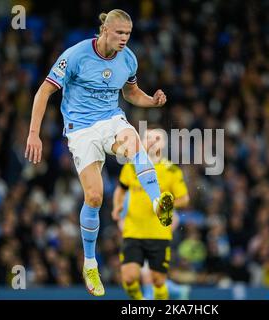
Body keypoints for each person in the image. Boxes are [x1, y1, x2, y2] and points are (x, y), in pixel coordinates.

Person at [25, 9, 175, 297]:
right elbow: (43, 92)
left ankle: (159, 202)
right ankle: (90, 262)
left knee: (133, 143)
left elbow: (130, 93)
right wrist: (34, 133)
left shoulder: (128, 59)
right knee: (94, 196)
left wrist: (153, 102)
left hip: (110, 120)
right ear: (105, 30)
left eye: (128, 34)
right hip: (80, 128)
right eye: (119, 33)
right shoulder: (77, 55)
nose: (124, 39)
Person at [112, 127, 190, 300]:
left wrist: (166, 207)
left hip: (159, 234)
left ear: (164, 144)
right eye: (147, 138)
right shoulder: (132, 167)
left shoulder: (171, 171)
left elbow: (184, 199)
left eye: (157, 138)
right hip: (133, 230)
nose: (152, 141)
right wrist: (116, 206)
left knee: (158, 281)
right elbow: (121, 189)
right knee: (129, 277)